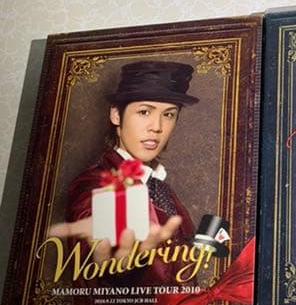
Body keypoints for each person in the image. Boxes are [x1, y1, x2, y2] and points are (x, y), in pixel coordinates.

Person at [51, 60, 198, 285]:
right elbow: (102, 265)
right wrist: (121, 264)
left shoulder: (159, 185)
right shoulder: (96, 185)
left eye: (169, 114)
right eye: (144, 112)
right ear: (116, 116)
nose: (157, 126)